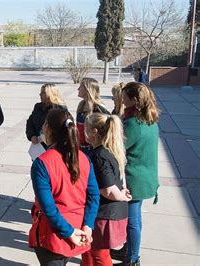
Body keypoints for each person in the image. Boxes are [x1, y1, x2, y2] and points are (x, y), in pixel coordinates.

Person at [28, 109, 100, 265]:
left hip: (54, 235)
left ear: (47, 128)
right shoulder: (84, 158)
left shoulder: (42, 163)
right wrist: (88, 225)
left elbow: (49, 208)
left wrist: (69, 232)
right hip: (78, 228)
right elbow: (94, 196)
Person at [81, 113, 132, 265]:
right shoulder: (111, 150)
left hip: (104, 214)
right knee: (88, 251)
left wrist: (123, 196)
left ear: (94, 132)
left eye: (86, 129)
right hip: (111, 211)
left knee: (99, 254)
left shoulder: (99, 156)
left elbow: (108, 190)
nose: (83, 133)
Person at [121, 82, 159, 265]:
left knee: (132, 221)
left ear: (134, 100)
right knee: (135, 219)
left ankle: (132, 259)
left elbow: (118, 148)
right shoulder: (149, 120)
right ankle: (129, 251)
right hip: (146, 178)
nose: (122, 100)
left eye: (124, 97)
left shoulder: (133, 124)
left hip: (135, 180)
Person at [26, 83, 67, 149]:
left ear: (50, 94)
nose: (40, 94)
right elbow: (30, 122)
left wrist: (45, 138)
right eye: (40, 92)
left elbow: (61, 130)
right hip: (38, 146)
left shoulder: (59, 109)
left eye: (43, 93)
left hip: (53, 146)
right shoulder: (38, 107)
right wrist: (31, 136)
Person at [76, 77, 110, 153]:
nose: (78, 89)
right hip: (80, 148)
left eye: (80, 87)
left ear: (88, 89)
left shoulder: (99, 108)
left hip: (92, 149)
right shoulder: (81, 105)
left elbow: (107, 129)